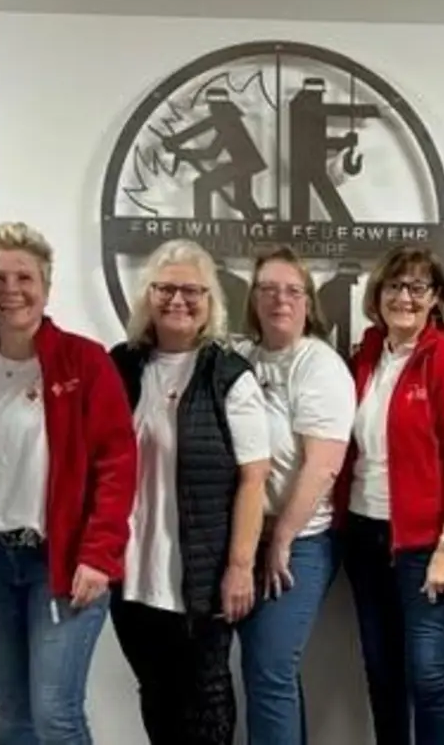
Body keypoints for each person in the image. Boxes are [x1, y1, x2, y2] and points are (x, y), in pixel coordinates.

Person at [0, 221, 137, 745]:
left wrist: (100, 554)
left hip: (62, 561)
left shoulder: (83, 361)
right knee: (12, 713)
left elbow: (117, 462)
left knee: (55, 714)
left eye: (23, 276)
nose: (10, 290)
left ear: (46, 285)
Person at [108, 239, 273, 745]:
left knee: (207, 705)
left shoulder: (228, 376)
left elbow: (253, 478)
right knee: (156, 697)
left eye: (191, 290)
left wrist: (240, 566)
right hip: (133, 576)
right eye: (165, 288)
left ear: (209, 302)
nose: (177, 300)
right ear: (147, 297)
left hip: (202, 576)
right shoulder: (120, 366)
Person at [336, 244, 444, 745]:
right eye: (394, 286)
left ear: (434, 300)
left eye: (417, 287)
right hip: (365, 533)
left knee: (428, 675)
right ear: (378, 295)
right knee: (382, 673)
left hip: (427, 543)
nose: (404, 296)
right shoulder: (364, 357)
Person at [234, 246, 357, 745]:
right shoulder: (238, 356)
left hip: (299, 543)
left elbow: (323, 463)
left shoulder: (319, 364)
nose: (279, 300)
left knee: (269, 671)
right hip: (245, 540)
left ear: (308, 302)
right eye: (268, 290)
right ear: (253, 299)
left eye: (292, 290)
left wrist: (282, 536)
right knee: (267, 675)